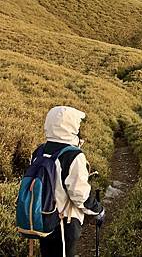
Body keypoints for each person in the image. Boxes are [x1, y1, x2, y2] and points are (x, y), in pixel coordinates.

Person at [35, 106, 105, 257]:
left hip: (41, 218)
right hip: (64, 223)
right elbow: (80, 195)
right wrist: (98, 210)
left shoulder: (39, 151)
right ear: (70, 126)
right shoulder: (73, 156)